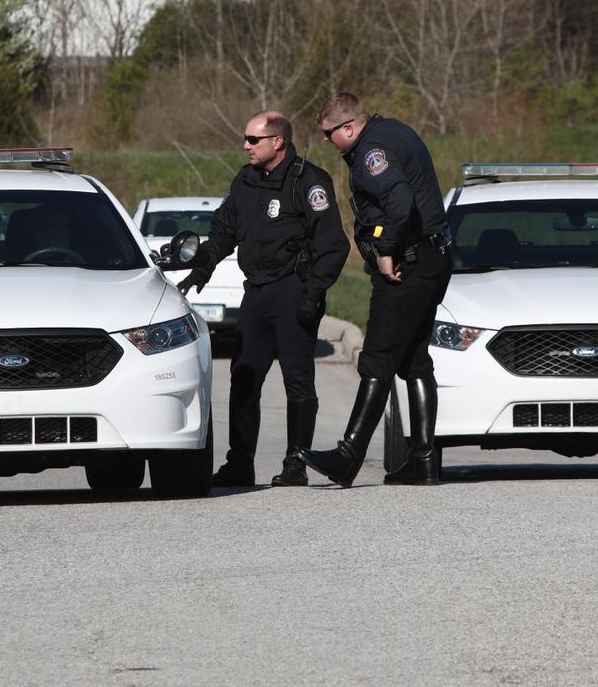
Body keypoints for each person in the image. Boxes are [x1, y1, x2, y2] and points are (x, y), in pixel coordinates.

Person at [179, 111, 349, 487]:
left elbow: (333, 245)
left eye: (253, 140)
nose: (245, 146)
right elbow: (224, 229)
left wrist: (314, 292)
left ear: (278, 142)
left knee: (297, 382)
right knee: (243, 378)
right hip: (256, 292)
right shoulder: (246, 179)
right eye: (245, 139)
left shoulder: (309, 181)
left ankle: (296, 463)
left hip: (294, 292)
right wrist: (204, 264)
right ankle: (240, 462)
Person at [300, 92, 452, 487]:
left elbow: (400, 202)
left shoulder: (372, 153)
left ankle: (348, 456)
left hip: (407, 265)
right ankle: (423, 461)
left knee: (378, 359)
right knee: (415, 361)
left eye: (329, 134)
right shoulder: (394, 131)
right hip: (433, 260)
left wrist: (386, 251)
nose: (327, 142)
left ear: (348, 127)